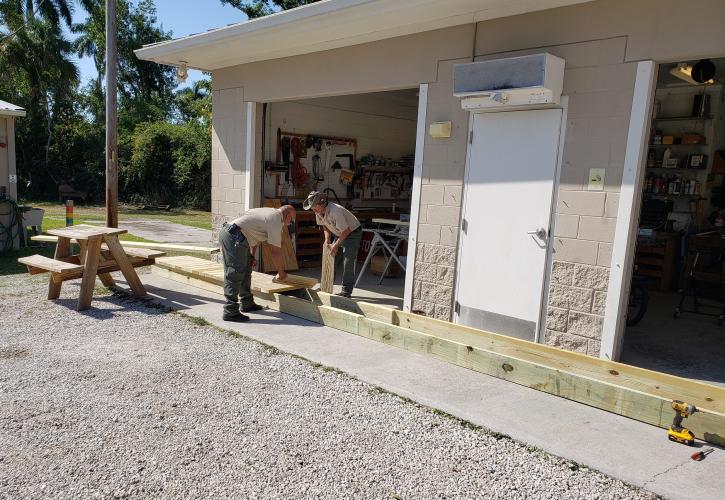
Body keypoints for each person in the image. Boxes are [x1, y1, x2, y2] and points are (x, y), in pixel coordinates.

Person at [219, 205, 296, 322]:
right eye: (291, 219)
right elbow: (275, 251)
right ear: (286, 215)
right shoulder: (276, 221)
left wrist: (252, 256)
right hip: (234, 237)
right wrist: (281, 273)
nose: (290, 223)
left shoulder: (268, 212)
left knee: (245, 270)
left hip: (238, 236)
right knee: (234, 272)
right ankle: (230, 311)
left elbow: (255, 236)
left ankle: (247, 303)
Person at [303, 191, 362, 298]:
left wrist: (336, 245)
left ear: (322, 203)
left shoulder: (335, 211)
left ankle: (346, 291)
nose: (313, 210)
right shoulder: (318, 211)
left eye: (314, 207)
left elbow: (346, 231)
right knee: (331, 259)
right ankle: (325, 286)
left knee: (348, 261)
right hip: (339, 233)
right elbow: (324, 225)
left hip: (352, 233)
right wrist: (327, 238)